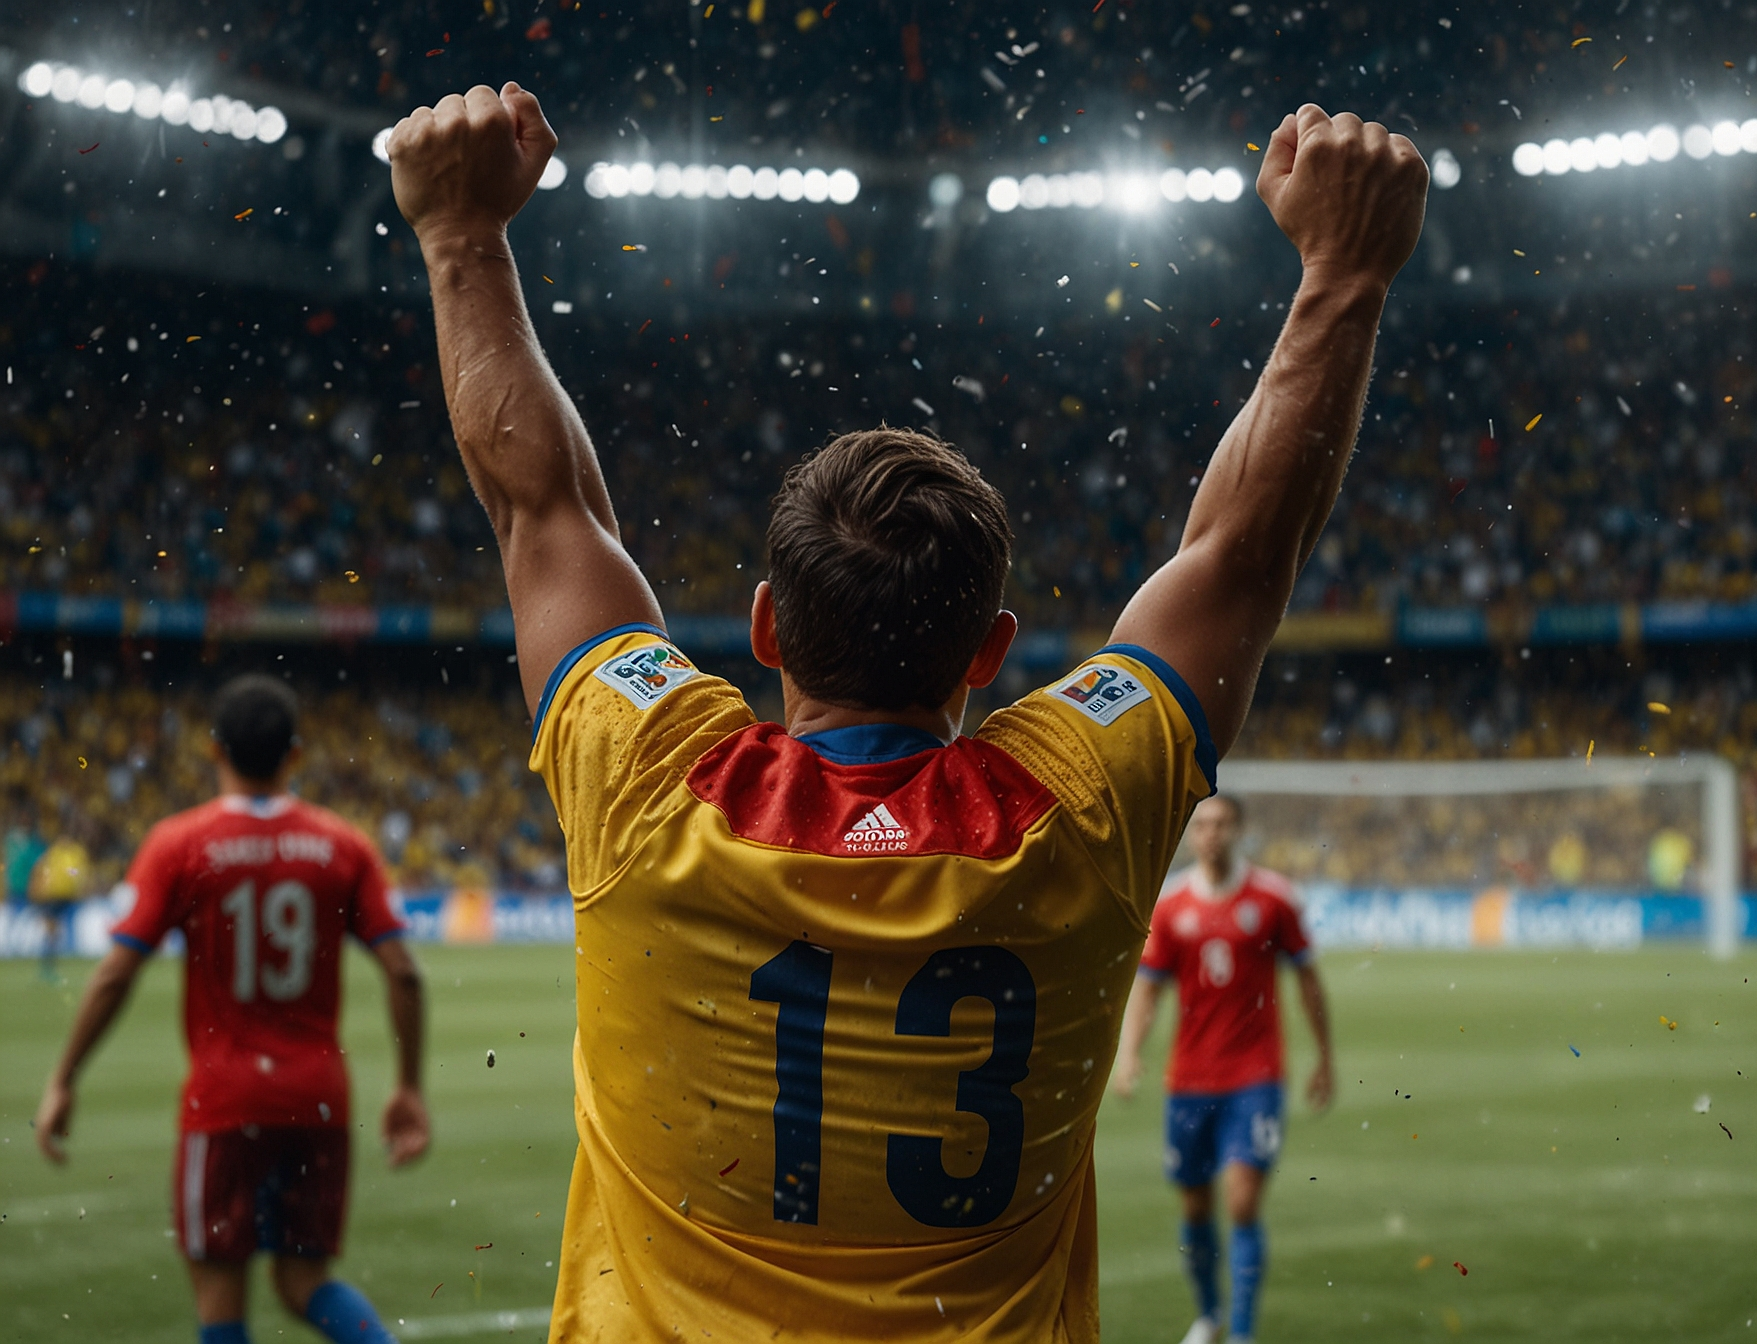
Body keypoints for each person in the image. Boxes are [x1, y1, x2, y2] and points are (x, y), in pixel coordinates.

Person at [389, 82, 1425, 1340]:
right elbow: (1243, 554)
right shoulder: (1079, 803)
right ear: (989, 653)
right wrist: (1343, 271)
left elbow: (544, 512)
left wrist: (460, 237)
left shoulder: (650, 775)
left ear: (768, 627)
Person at [34, 675, 431, 1344]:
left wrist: (64, 1079)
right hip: (318, 1098)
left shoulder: (179, 844)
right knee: (304, 1282)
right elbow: (406, 975)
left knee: (222, 1294)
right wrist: (410, 1089)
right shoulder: (343, 844)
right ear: (294, 755)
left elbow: (115, 974)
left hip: (224, 1101)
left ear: (213, 749)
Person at [1112, 796, 1334, 1344]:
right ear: (1192, 835)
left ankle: (1242, 1332)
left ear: (1240, 831)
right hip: (1188, 1079)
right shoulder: (1171, 907)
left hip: (1255, 1077)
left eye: (1221, 824)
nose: (1210, 834)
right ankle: (1209, 1314)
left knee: (1241, 1201)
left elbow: (1307, 979)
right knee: (1194, 1204)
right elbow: (1150, 988)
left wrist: (1325, 1058)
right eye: (1202, 824)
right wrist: (1130, 1051)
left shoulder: (1273, 899)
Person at [28, 818, 92, 981]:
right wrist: (38, 889)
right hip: (53, 897)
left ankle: (51, 967)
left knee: (58, 933)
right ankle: (47, 968)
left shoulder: (76, 853)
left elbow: (79, 872)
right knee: (52, 932)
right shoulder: (54, 852)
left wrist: (74, 877)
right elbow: (43, 870)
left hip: (69, 898)